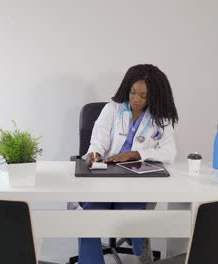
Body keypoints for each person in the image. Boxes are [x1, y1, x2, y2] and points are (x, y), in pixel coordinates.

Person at [79, 64, 179, 264]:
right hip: (104, 179)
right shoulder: (112, 109)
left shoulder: (161, 119)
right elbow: (98, 140)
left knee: (132, 213)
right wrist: (95, 152)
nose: (136, 99)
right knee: (89, 217)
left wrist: (136, 154)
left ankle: (140, 246)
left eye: (144, 96)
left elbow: (169, 153)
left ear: (155, 96)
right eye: (133, 93)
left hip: (136, 182)